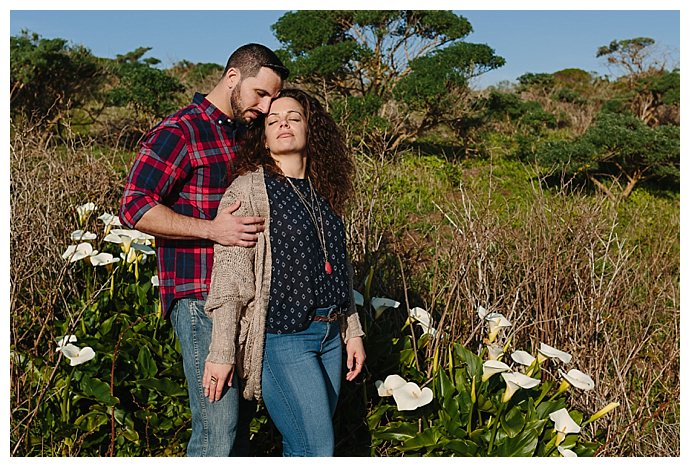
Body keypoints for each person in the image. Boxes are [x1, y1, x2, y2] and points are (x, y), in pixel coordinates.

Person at [119, 43, 289, 457]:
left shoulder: (247, 135)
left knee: (239, 430)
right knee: (218, 428)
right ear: (233, 78)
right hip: (199, 299)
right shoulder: (180, 131)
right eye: (260, 95)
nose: (266, 108)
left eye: (272, 98)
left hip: (246, 302)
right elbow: (135, 206)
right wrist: (213, 230)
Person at [203, 88, 366, 457]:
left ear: (311, 128)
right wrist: (222, 350)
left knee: (305, 446)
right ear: (263, 135)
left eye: (293, 117)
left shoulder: (324, 190)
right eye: (273, 121)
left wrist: (352, 329)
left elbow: (339, 267)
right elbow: (230, 278)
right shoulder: (249, 189)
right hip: (284, 337)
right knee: (315, 449)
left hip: (329, 335)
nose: (283, 125)